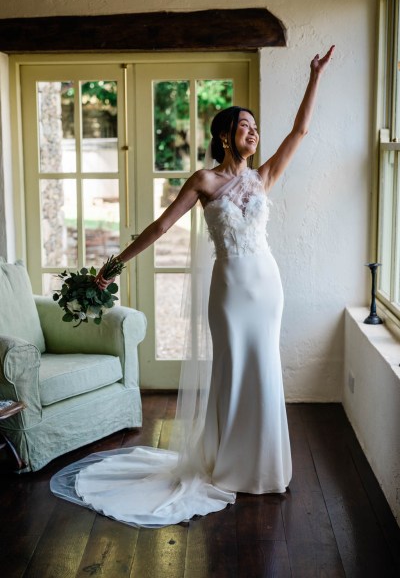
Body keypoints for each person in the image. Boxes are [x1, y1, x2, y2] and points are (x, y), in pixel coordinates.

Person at [50, 46, 335, 528]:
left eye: (255, 127)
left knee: (264, 370)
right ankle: (227, 465)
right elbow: (161, 228)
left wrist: (314, 77)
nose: (253, 131)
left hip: (267, 286)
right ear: (225, 134)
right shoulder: (203, 180)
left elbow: (300, 131)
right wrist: (112, 266)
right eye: (244, 124)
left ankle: (264, 469)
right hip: (229, 291)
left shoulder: (263, 178)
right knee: (232, 371)